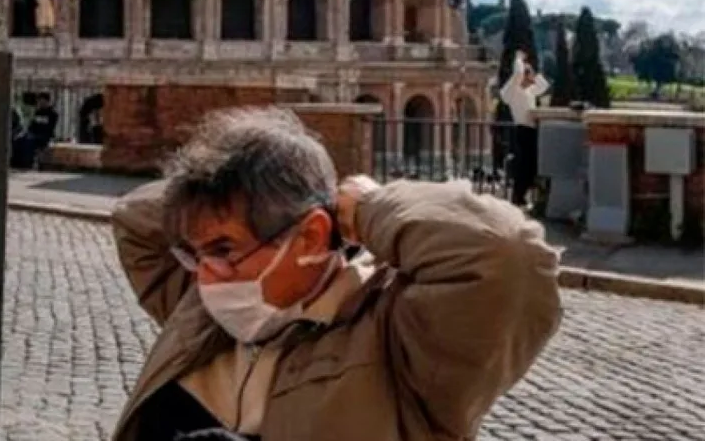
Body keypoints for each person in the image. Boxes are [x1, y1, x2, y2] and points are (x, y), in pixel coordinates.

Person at [110, 107, 561, 441]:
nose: (206, 277)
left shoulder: (398, 338)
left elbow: (506, 256)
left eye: (224, 248)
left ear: (309, 238)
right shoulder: (206, 309)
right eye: (195, 254)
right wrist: (234, 178)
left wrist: (368, 208)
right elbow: (135, 220)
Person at [499, 50, 550, 208]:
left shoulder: (529, 91)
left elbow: (543, 86)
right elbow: (517, 73)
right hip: (522, 130)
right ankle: (518, 196)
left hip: (531, 130)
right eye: (529, 75)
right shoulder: (515, 90)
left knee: (530, 165)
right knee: (523, 165)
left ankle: (523, 194)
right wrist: (519, 59)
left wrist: (534, 75)